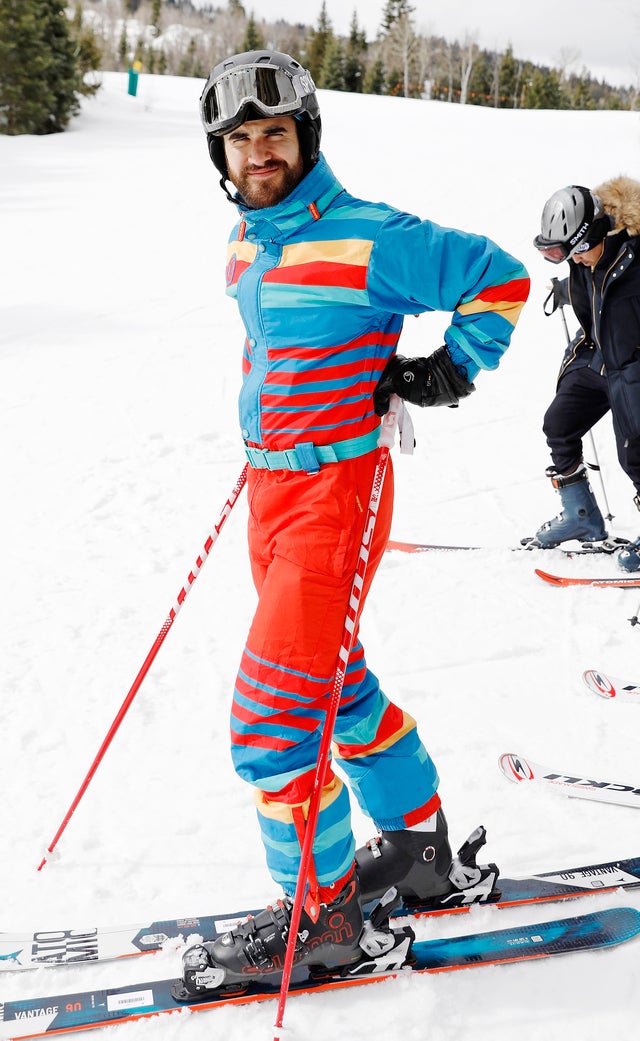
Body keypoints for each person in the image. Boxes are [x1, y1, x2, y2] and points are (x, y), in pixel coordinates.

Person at [182, 49, 529, 990]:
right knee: (330, 682)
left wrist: (446, 369)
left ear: (306, 138)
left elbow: (497, 279)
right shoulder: (250, 237)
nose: (260, 152)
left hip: (333, 502)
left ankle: (323, 919)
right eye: (242, 139)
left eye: (276, 134)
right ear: (224, 154)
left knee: (269, 723)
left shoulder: (371, 235)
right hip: (271, 493)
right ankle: (421, 855)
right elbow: (283, 340)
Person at [530, 179, 640, 569]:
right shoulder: (585, 261)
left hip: (634, 368)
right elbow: (594, 301)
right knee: (559, 423)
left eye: (577, 251)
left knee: (635, 456)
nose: (574, 261)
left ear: (597, 234)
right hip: (600, 358)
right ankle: (582, 516)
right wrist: (570, 290)